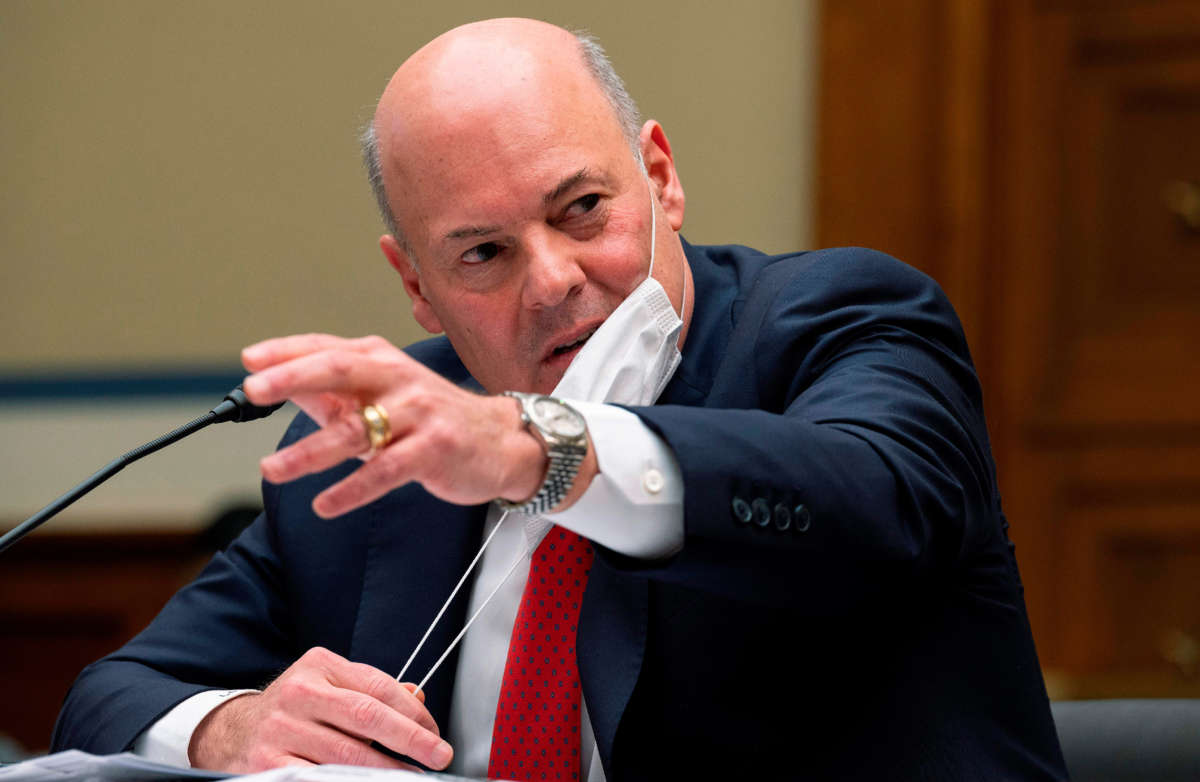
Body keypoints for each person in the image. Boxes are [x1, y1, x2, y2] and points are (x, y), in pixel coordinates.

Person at [52, 17, 1068, 781]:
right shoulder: (387, 442)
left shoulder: (837, 318)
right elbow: (112, 691)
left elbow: (878, 500)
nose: (551, 279)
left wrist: (540, 448)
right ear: (417, 287)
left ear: (659, 177)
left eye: (583, 209)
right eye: (483, 253)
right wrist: (235, 726)